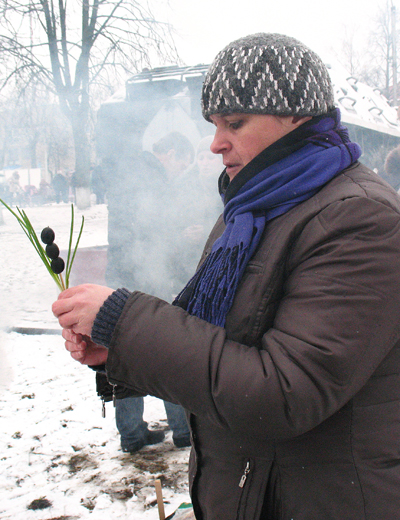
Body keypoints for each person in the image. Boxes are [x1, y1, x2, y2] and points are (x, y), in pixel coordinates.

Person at [53, 33, 400, 519]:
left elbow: (284, 393)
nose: (215, 143)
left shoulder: (360, 218)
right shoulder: (250, 207)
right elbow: (219, 343)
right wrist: (121, 349)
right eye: (213, 124)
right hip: (252, 491)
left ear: (298, 116)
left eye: (234, 123)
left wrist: (126, 321)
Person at [100, 132, 194, 453]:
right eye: (181, 164)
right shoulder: (150, 178)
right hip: (143, 277)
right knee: (166, 352)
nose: (180, 172)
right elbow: (152, 230)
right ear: (168, 153)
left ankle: (131, 434)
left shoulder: (131, 170)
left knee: (124, 355)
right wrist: (181, 235)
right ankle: (183, 431)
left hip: (121, 277)